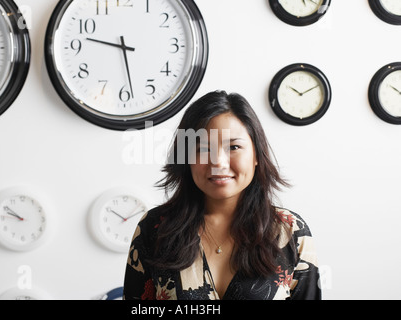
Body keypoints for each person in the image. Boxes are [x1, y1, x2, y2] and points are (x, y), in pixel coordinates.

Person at [123, 90, 321, 300]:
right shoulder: (155, 229)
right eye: (203, 148)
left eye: (234, 147)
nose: (218, 162)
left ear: (256, 155)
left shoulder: (289, 231)